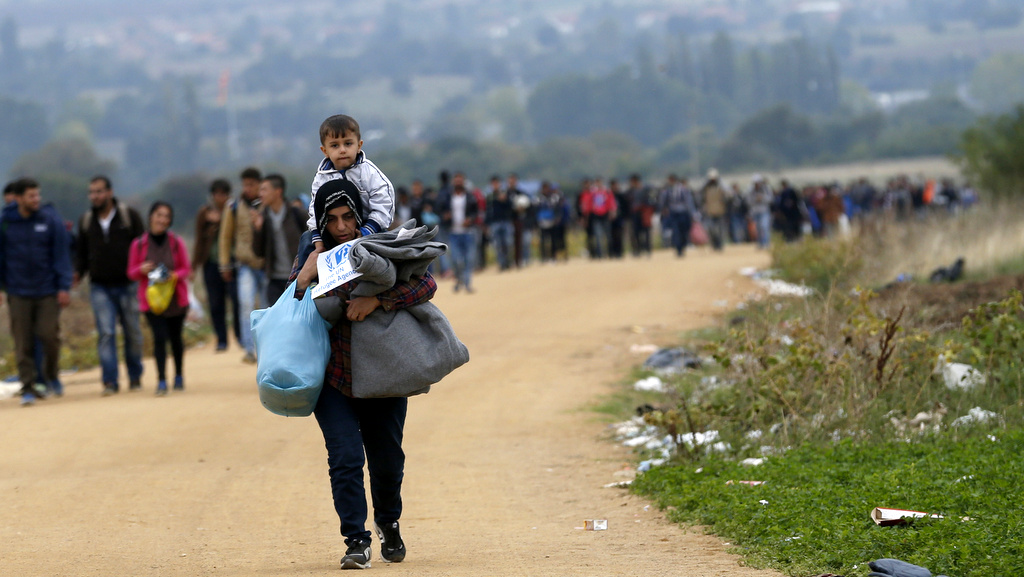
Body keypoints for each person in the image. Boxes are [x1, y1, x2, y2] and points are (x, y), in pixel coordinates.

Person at [292, 178, 437, 569]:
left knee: (387, 458)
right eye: (332, 220)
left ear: (359, 217)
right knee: (344, 456)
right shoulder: (312, 254)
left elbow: (425, 283)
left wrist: (378, 300)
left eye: (347, 218)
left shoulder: (382, 244)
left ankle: (388, 522)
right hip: (333, 376)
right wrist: (305, 276)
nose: (341, 227)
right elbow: (293, 304)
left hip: (382, 374)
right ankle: (356, 539)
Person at [0, 178, 73, 405]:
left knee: (48, 335)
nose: (36, 200)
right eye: (31, 196)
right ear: (19, 198)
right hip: (17, 290)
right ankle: (28, 387)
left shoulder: (50, 220)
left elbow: (61, 255)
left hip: (47, 290)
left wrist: (63, 286)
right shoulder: (5, 222)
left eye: (38, 195)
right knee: (23, 341)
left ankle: (51, 374)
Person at [74, 176, 147, 395]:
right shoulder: (86, 221)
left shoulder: (128, 217)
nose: (95, 196)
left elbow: (143, 247)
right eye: (92, 192)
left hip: (128, 285)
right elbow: (81, 253)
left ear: (110, 192)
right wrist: (78, 273)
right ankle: (110, 381)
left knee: (133, 331)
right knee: (106, 333)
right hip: (99, 286)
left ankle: (135, 376)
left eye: (99, 191)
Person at [302, 114, 395, 260]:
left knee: (387, 247)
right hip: (335, 230)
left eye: (348, 143)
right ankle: (306, 278)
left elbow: (384, 203)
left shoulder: (369, 173)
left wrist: (367, 230)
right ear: (324, 151)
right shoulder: (321, 178)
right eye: (335, 145)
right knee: (307, 239)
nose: (342, 150)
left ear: (359, 146)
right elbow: (315, 210)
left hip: (372, 226)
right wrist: (318, 239)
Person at [128, 202, 191, 395]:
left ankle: (179, 375)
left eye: (166, 216)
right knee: (159, 338)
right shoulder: (138, 244)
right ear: (150, 217)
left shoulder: (176, 242)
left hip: (175, 298)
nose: (162, 220)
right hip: (152, 301)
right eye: (159, 215)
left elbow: (186, 269)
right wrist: (142, 269)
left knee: (175, 338)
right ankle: (161, 380)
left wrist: (172, 276)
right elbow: (131, 272)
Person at [218, 167, 265, 364]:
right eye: (245, 184)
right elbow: (225, 237)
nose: (248, 188)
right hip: (244, 263)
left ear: (259, 185)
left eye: (252, 184)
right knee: (245, 304)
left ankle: (265, 348)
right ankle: (248, 348)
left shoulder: (267, 205)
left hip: (265, 264)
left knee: (266, 307)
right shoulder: (234, 207)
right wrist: (224, 265)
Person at [192, 178, 236, 352]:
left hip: (230, 262)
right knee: (215, 303)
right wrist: (194, 265)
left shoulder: (234, 210)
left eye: (223, 194)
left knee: (235, 300)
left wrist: (221, 220)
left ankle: (239, 335)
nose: (219, 198)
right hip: (210, 262)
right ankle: (221, 339)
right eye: (216, 194)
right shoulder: (204, 213)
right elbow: (199, 240)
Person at [252, 174, 306, 303]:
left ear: (278, 191)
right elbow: (258, 252)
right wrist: (258, 230)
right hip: (274, 280)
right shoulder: (263, 218)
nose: (260, 194)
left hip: (298, 278)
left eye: (264, 189)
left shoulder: (296, 214)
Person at [437, 182, 479, 293]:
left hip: (468, 232)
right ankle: (459, 279)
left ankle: (467, 283)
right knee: (455, 259)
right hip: (453, 232)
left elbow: (476, 212)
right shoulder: (448, 198)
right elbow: (440, 211)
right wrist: (445, 216)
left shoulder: (470, 197)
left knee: (468, 259)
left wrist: (470, 219)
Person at [659, 174, 697, 257]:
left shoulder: (683, 190)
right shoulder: (667, 191)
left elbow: (689, 202)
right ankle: (678, 248)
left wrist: (692, 213)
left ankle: (683, 245)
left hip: (683, 213)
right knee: (676, 231)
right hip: (673, 213)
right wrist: (663, 210)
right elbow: (662, 202)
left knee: (684, 231)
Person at [578, 178, 617, 259]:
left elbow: (611, 203)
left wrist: (612, 211)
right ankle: (600, 254)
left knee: (608, 236)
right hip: (595, 216)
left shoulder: (606, 192)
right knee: (598, 236)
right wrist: (585, 216)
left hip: (605, 216)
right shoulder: (592, 193)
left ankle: (610, 253)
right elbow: (587, 205)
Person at [485, 175, 514, 271]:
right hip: (494, 223)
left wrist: (505, 200)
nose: (495, 185)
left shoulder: (506, 194)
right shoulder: (490, 197)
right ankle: (502, 264)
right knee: (497, 245)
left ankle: (508, 262)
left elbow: (511, 207)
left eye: (497, 183)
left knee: (508, 243)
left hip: (505, 221)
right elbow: (487, 211)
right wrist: (487, 224)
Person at [536, 181, 568, 263]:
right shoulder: (539, 198)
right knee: (543, 241)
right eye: (544, 188)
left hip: (552, 222)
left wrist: (557, 218)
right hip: (542, 222)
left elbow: (558, 209)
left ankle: (553, 256)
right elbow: (535, 210)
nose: (546, 190)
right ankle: (544, 257)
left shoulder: (554, 198)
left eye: (547, 188)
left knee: (553, 240)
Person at [625, 173, 655, 257]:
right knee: (635, 233)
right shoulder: (630, 192)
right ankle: (637, 250)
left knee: (646, 232)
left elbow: (651, 201)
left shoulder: (645, 190)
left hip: (644, 213)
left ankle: (648, 249)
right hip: (634, 214)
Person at [700, 169, 728, 251]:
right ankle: (714, 244)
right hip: (710, 211)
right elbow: (700, 194)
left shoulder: (721, 187)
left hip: (720, 211)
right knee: (711, 229)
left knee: (720, 230)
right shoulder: (706, 188)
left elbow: (728, 193)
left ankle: (719, 244)